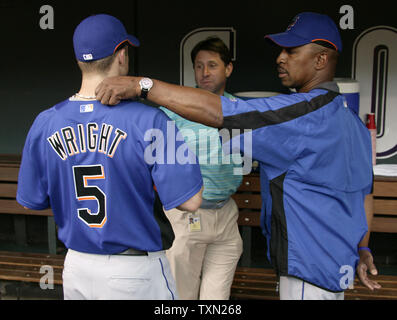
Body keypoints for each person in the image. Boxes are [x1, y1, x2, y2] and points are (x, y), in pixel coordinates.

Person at [95, 12, 382, 300]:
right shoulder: (353, 123)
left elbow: (221, 112)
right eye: (281, 50)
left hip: (308, 269)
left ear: (321, 60)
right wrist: (363, 247)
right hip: (339, 269)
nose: (281, 58)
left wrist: (142, 86)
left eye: (292, 51)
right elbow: (365, 195)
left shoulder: (301, 114)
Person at [16, 14, 203, 300]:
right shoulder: (148, 119)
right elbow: (191, 201)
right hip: (134, 272)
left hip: (76, 266)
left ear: (80, 61)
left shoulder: (45, 122)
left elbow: (32, 202)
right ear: (122, 55)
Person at [160, 37, 243, 300]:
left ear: (228, 69)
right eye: (199, 66)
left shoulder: (241, 110)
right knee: (180, 298)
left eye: (212, 65)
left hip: (226, 216)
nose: (204, 72)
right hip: (187, 217)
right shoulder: (174, 109)